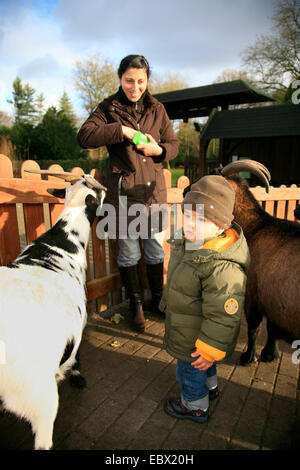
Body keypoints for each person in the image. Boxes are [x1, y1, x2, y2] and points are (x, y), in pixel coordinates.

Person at [77, 55, 178, 333]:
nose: (135, 87)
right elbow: (85, 136)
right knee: (129, 252)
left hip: (153, 193)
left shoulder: (157, 108)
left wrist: (159, 151)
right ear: (120, 79)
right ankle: (135, 304)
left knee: (156, 248)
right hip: (122, 193)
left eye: (141, 81)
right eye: (129, 80)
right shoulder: (108, 107)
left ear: (147, 81)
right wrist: (121, 130)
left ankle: (158, 299)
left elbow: (173, 143)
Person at [161, 175, 250, 422]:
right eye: (187, 215)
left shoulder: (221, 267)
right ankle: (210, 389)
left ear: (220, 227)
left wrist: (212, 347)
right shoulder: (192, 242)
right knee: (204, 365)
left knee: (189, 372)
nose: (190, 223)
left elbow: (224, 315)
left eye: (200, 219)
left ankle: (194, 406)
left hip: (195, 336)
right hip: (191, 327)